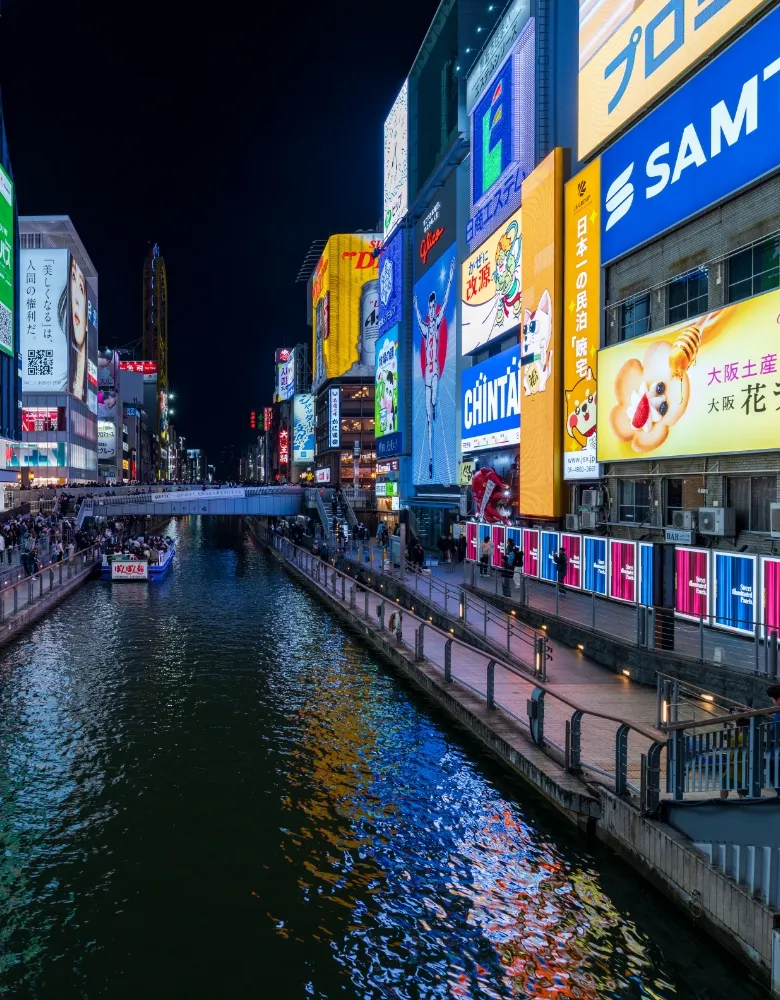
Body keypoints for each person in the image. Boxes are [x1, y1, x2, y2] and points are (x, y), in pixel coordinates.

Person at [413, 256, 456, 479]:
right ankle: (430, 459)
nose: (431, 309)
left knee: (433, 404)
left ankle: (435, 412)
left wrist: (449, 277)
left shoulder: (437, 321)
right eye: (429, 306)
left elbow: (447, 300)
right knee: (428, 416)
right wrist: (414, 305)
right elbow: (419, 319)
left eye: (432, 305)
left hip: (435, 369)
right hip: (428, 373)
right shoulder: (426, 326)